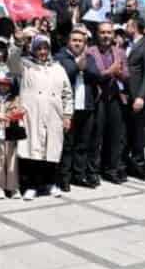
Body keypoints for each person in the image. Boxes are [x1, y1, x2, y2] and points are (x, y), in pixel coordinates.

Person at [8, 33, 74, 200]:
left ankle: (51, 183)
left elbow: (67, 93)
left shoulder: (58, 68)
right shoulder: (25, 65)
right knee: (32, 152)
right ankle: (31, 186)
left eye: (45, 48)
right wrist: (17, 43)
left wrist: (67, 115)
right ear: (33, 49)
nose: (42, 51)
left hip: (54, 116)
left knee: (51, 151)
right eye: (39, 48)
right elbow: (11, 63)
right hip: (32, 115)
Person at [55, 27, 100, 189]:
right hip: (69, 109)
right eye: (74, 40)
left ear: (85, 43)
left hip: (86, 107)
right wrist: (77, 65)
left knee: (83, 143)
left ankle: (78, 175)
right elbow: (66, 72)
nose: (77, 43)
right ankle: (64, 178)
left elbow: (97, 74)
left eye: (80, 41)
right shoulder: (60, 56)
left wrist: (84, 67)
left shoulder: (90, 57)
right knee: (67, 145)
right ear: (68, 42)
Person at [88, 22, 129, 184]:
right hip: (98, 99)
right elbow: (93, 75)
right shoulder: (90, 52)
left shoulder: (120, 52)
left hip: (115, 98)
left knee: (114, 136)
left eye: (108, 32)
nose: (106, 36)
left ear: (113, 34)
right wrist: (109, 72)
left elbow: (127, 75)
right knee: (96, 136)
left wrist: (119, 74)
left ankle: (111, 169)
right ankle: (93, 171)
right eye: (102, 32)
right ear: (97, 34)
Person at [124, 17, 145, 180]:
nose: (125, 27)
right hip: (125, 95)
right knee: (128, 131)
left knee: (138, 133)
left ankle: (139, 166)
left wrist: (141, 96)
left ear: (135, 27)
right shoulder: (126, 44)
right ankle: (127, 163)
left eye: (128, 25)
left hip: (138, 96)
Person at [0, 72, 23, 199]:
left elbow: (18, 110)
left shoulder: (15, 98)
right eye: (1, 84)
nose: (3, 87)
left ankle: (13, 188)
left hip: (11, 130)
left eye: (6, 84)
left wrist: (14, 114)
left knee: (12, 160)